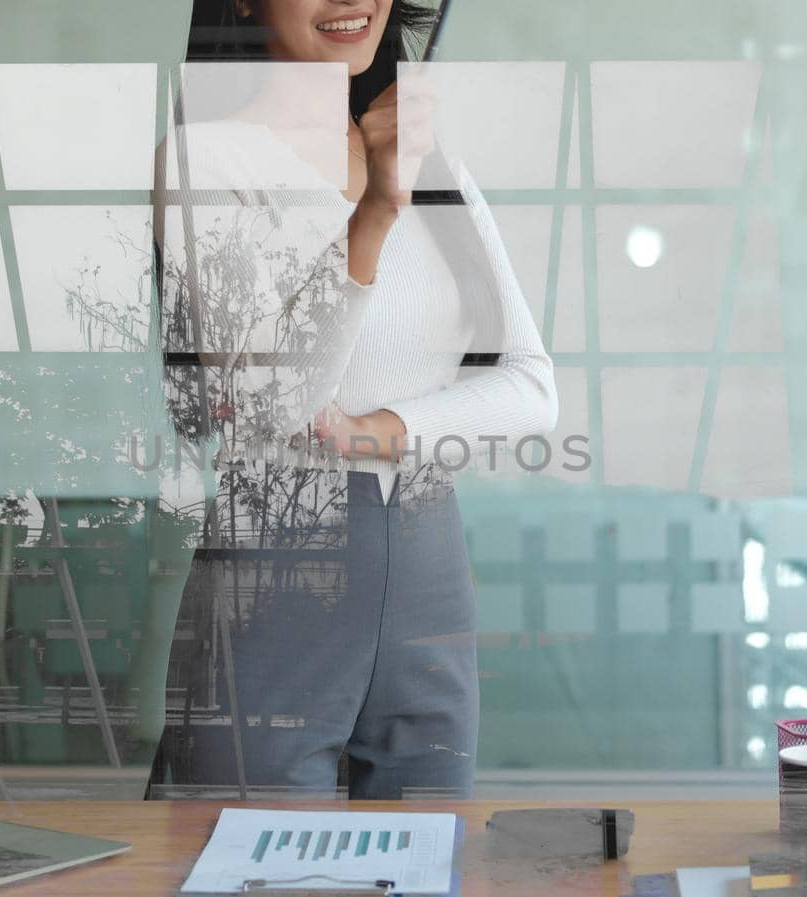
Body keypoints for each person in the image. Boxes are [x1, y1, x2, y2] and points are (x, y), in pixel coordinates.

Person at [147, 0, 557, 799]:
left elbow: (531, 384)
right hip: (278, 552)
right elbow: (267, 400)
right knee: (234, 846)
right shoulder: (205, 161)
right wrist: (373, 212)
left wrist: (385, 430)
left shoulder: (437, 169)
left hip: (430, 551)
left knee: (426, 849)